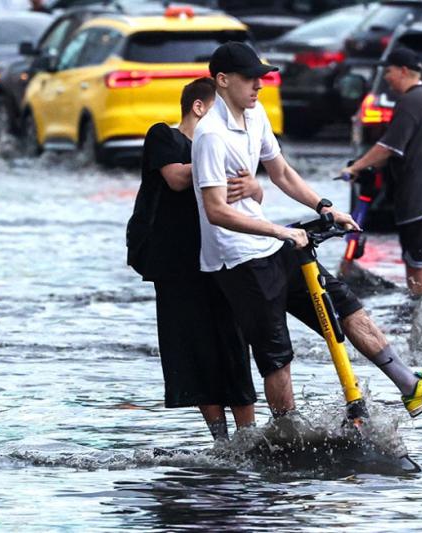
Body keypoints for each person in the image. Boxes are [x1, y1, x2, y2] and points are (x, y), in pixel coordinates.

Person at [191, 42, 422, 419]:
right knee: (277, 357)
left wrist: (325, 207)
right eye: (250, 79)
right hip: (239, 260)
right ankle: (287, 435)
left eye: (262, 78)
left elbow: (283, 173)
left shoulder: (255, 118)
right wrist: (280, 231)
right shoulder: (210, 134)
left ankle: (411, 386)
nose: (259, 86)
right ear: (222, 81)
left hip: (274, 245)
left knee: (346, 306)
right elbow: (216, 211)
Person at [126, 77, 261, 441]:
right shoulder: (164, 137)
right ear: (199, 107)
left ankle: (247, 435)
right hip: (176, 264)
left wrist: (251, 183)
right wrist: (221, 168)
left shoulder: (227, 144)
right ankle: (220, 439)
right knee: (193, 348)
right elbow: (177, 179)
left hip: (220, 259)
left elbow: (253, 193)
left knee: (234, 344)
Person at [341, 47, 422, 301]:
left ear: (403, 71)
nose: (387, 78)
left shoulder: (411, 101)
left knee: (416, 261)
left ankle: (418, 310)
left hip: (421, 202)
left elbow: (388, 147)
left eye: (388, 71)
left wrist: (354, 167)